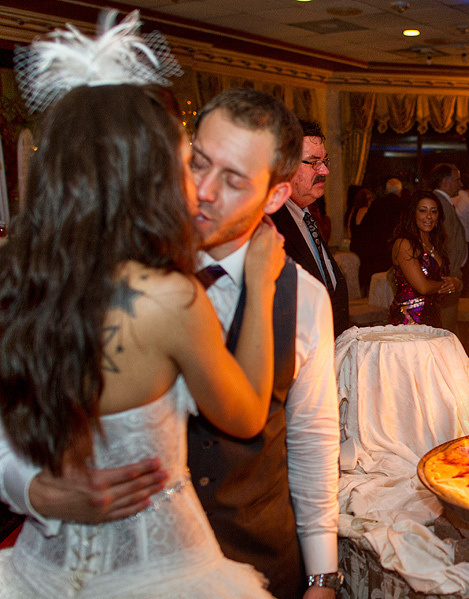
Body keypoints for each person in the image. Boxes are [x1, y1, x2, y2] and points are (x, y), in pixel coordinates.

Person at [1, 86, 342, 599]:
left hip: (255, 560)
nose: (203, 190)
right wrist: (33, 488)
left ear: (275, 196)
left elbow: (312, 441)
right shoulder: (101, 276)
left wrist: (322, 575)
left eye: (232, 179)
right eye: (196, 163)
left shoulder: (306, 298)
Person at [271, 119, 350, 337]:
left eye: (324, 161)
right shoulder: (269, 226)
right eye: (314, 162)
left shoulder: (306, 217)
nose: (325, 170)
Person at [388, 191, 461, 327]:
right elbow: (423, 287)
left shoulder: (435, 245)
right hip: (408, 320)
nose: (429, 216)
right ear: (413, 214)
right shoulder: (404, 244)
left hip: (433, 315)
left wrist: (455, 283)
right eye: (423, 210)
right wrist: (453, 283)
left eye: (433, 211)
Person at [430, 163, 467, 333]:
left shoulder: (444, 202)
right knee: (445, 327)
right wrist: (448, 275)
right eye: (457, 180)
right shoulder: (440, 205)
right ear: (444, 182)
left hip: (450, 274)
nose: (461, 184)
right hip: (448, 276)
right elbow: (442, 243)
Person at [355, 179, 404, 295]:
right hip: (395, 248)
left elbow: (365, 227)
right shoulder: (403, 205)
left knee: (379, 282)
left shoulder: (377, 204)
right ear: (400, 191)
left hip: (377, 249)